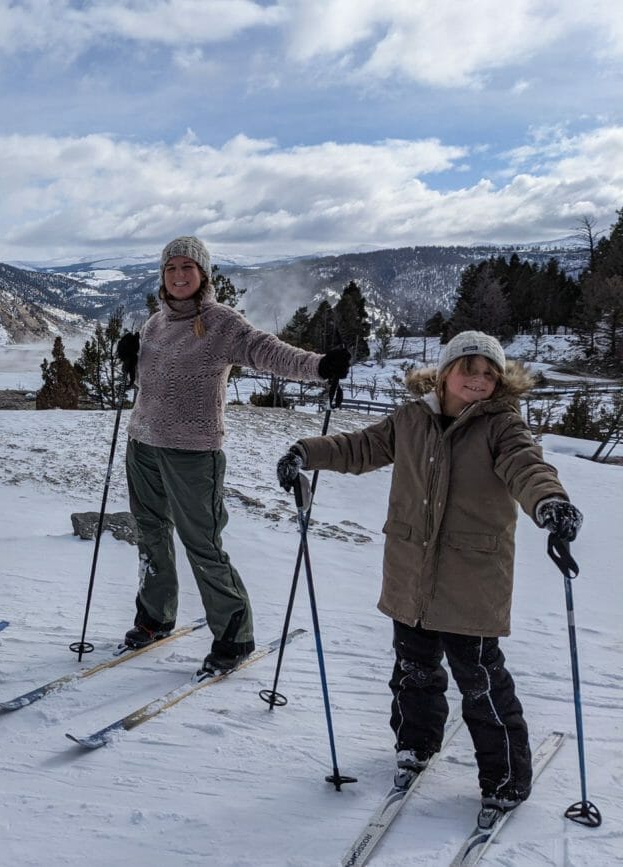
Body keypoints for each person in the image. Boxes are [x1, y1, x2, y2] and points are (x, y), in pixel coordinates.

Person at [274, 330, 582, 816]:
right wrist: (305, 453)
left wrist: (551, 504)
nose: (478, 380)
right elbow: (360, 448)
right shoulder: (411, 419)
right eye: (468, 368)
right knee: (413, 671)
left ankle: (505, 775)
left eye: (488, 373)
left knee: (480, 681)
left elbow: (528, 469)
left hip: (472, 578)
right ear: (444, 373)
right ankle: (415, 745)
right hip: (410, 572)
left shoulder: (503, 427)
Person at [115, 235, 351, 675]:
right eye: (171, 268)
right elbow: (150, 380)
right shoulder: (154, 324)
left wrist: (318, 367)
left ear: (203, 274)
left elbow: (266, 351)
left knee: (202, 544)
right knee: (149, 535)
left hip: (193, 452)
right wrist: (131, 359)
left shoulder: (221, 322)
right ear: (163, 276)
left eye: (188, 267)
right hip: (142, 443)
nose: (180, 275)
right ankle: (155, 615)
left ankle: (234, 635)